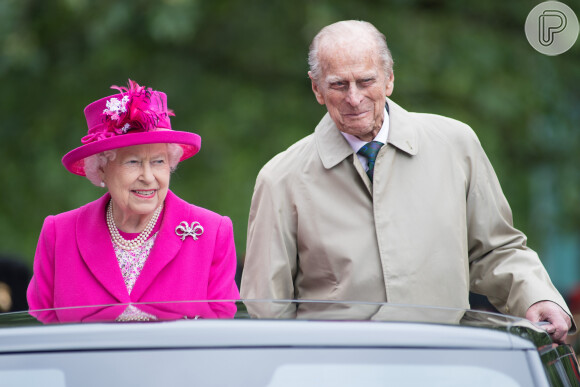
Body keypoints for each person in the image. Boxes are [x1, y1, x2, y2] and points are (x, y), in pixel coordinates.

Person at [240, 20, 574, 342]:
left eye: (366, 81)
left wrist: (535, 296)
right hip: (336, 370)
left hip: (442, 363)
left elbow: (495, 250)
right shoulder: (280, 178)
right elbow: (267, 311)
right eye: (339, 84)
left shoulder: (456, 145)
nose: (353, 98)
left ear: (389, 80)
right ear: (317, 88)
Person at [27, 79, 239, 322]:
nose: (148, 177)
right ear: (102, 169)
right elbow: (40, 328)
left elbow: (221, 336)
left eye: (158, 162)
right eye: (133, 162)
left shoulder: (212, 232)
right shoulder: (59, 234)